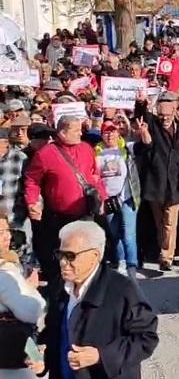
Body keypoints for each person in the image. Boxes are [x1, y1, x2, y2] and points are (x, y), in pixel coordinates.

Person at [33, 221, 158, 379]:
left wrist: (100, 355)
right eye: (60, 254)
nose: (63, 262)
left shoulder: (122, 290)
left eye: (71, 256)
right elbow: (54, 331)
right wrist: (44, 358)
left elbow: (146, 338)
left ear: (94, 256)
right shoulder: (59, 286)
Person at [24, 116, 106, 284]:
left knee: (84, 253)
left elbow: (94, 175)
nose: (80, 133)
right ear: (62, 132)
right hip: (58, 218)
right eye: (76, 130)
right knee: (62, 258)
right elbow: (32, 180)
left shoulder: (86, 149)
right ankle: (61, 292)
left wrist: (102, 197)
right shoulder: (45, 154)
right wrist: (32, 201)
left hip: (85, 214)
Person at [133, 91, 179, 272]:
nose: (164, 119)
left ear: (174, 111)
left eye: (168, 115)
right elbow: (142, 116)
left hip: (175, 184)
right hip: (156, 183)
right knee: (160, 222)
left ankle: (166, 257)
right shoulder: (153, 125)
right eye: (161, 115)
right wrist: (141, 102)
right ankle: (163, 250)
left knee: (170, 221)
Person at [0, 213, 45, 379]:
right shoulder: (4, 274)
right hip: (12, 356)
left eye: (7, 230)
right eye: (0, 232)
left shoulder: (9, 265)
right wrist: (30, 288)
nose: (7, 236)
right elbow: (33, 312)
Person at [94, 121, 141, 279]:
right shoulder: (96, 152)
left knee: (128, 234)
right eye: (106, 132)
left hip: (127, 197)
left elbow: (146, 146)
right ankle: (120, 261)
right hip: (107, 199)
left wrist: (141, 131)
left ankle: (132, 264)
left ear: (118, 133)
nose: (110, 135)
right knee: (115, 234)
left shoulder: (127, 148)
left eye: (113, 131)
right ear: (102, 134)